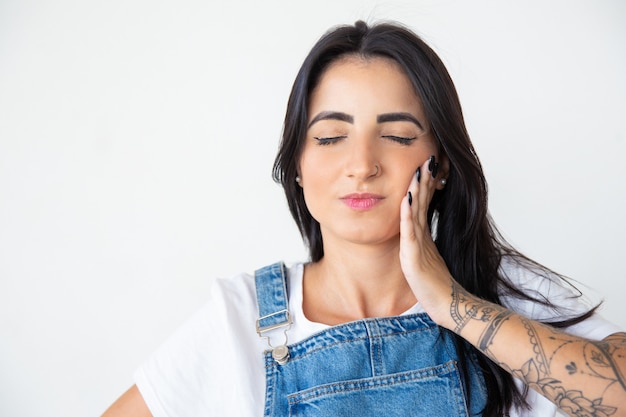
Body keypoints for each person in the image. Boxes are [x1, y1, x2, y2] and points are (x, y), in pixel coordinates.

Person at [101, 20, 626, 417]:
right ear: (299, 167)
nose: (362, 165)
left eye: (397, 136)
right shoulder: (241, 322)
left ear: (439, 165)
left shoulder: (502, 296)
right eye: (330, 138)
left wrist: (451, 304)